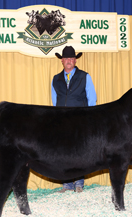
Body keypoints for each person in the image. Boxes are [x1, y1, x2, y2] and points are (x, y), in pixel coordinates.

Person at [51, 45, 97, 193]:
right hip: (62, 121)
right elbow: (54, 100)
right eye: (66, 59)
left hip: (80, 122)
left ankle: (78, 183)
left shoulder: (85, 76)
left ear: (75, 61)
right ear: (62, 61)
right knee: (63, 153)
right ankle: (67, 184)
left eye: (72, 58)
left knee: (79, 152)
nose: (69, 61)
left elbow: (92, 99)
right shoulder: (56, 79)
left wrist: (89, 120)